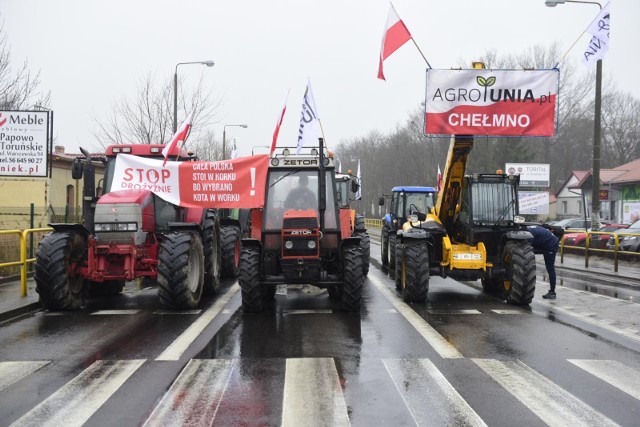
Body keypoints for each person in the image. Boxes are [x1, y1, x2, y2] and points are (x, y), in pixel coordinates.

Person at [527, 224, 560, 299]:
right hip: (547, 243)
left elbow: (529, 247)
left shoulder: (528, 233)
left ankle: (552, 292)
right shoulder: (529, 228)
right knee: (549, 268)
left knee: (550, 268)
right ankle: (552, 292)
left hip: (551, 245)